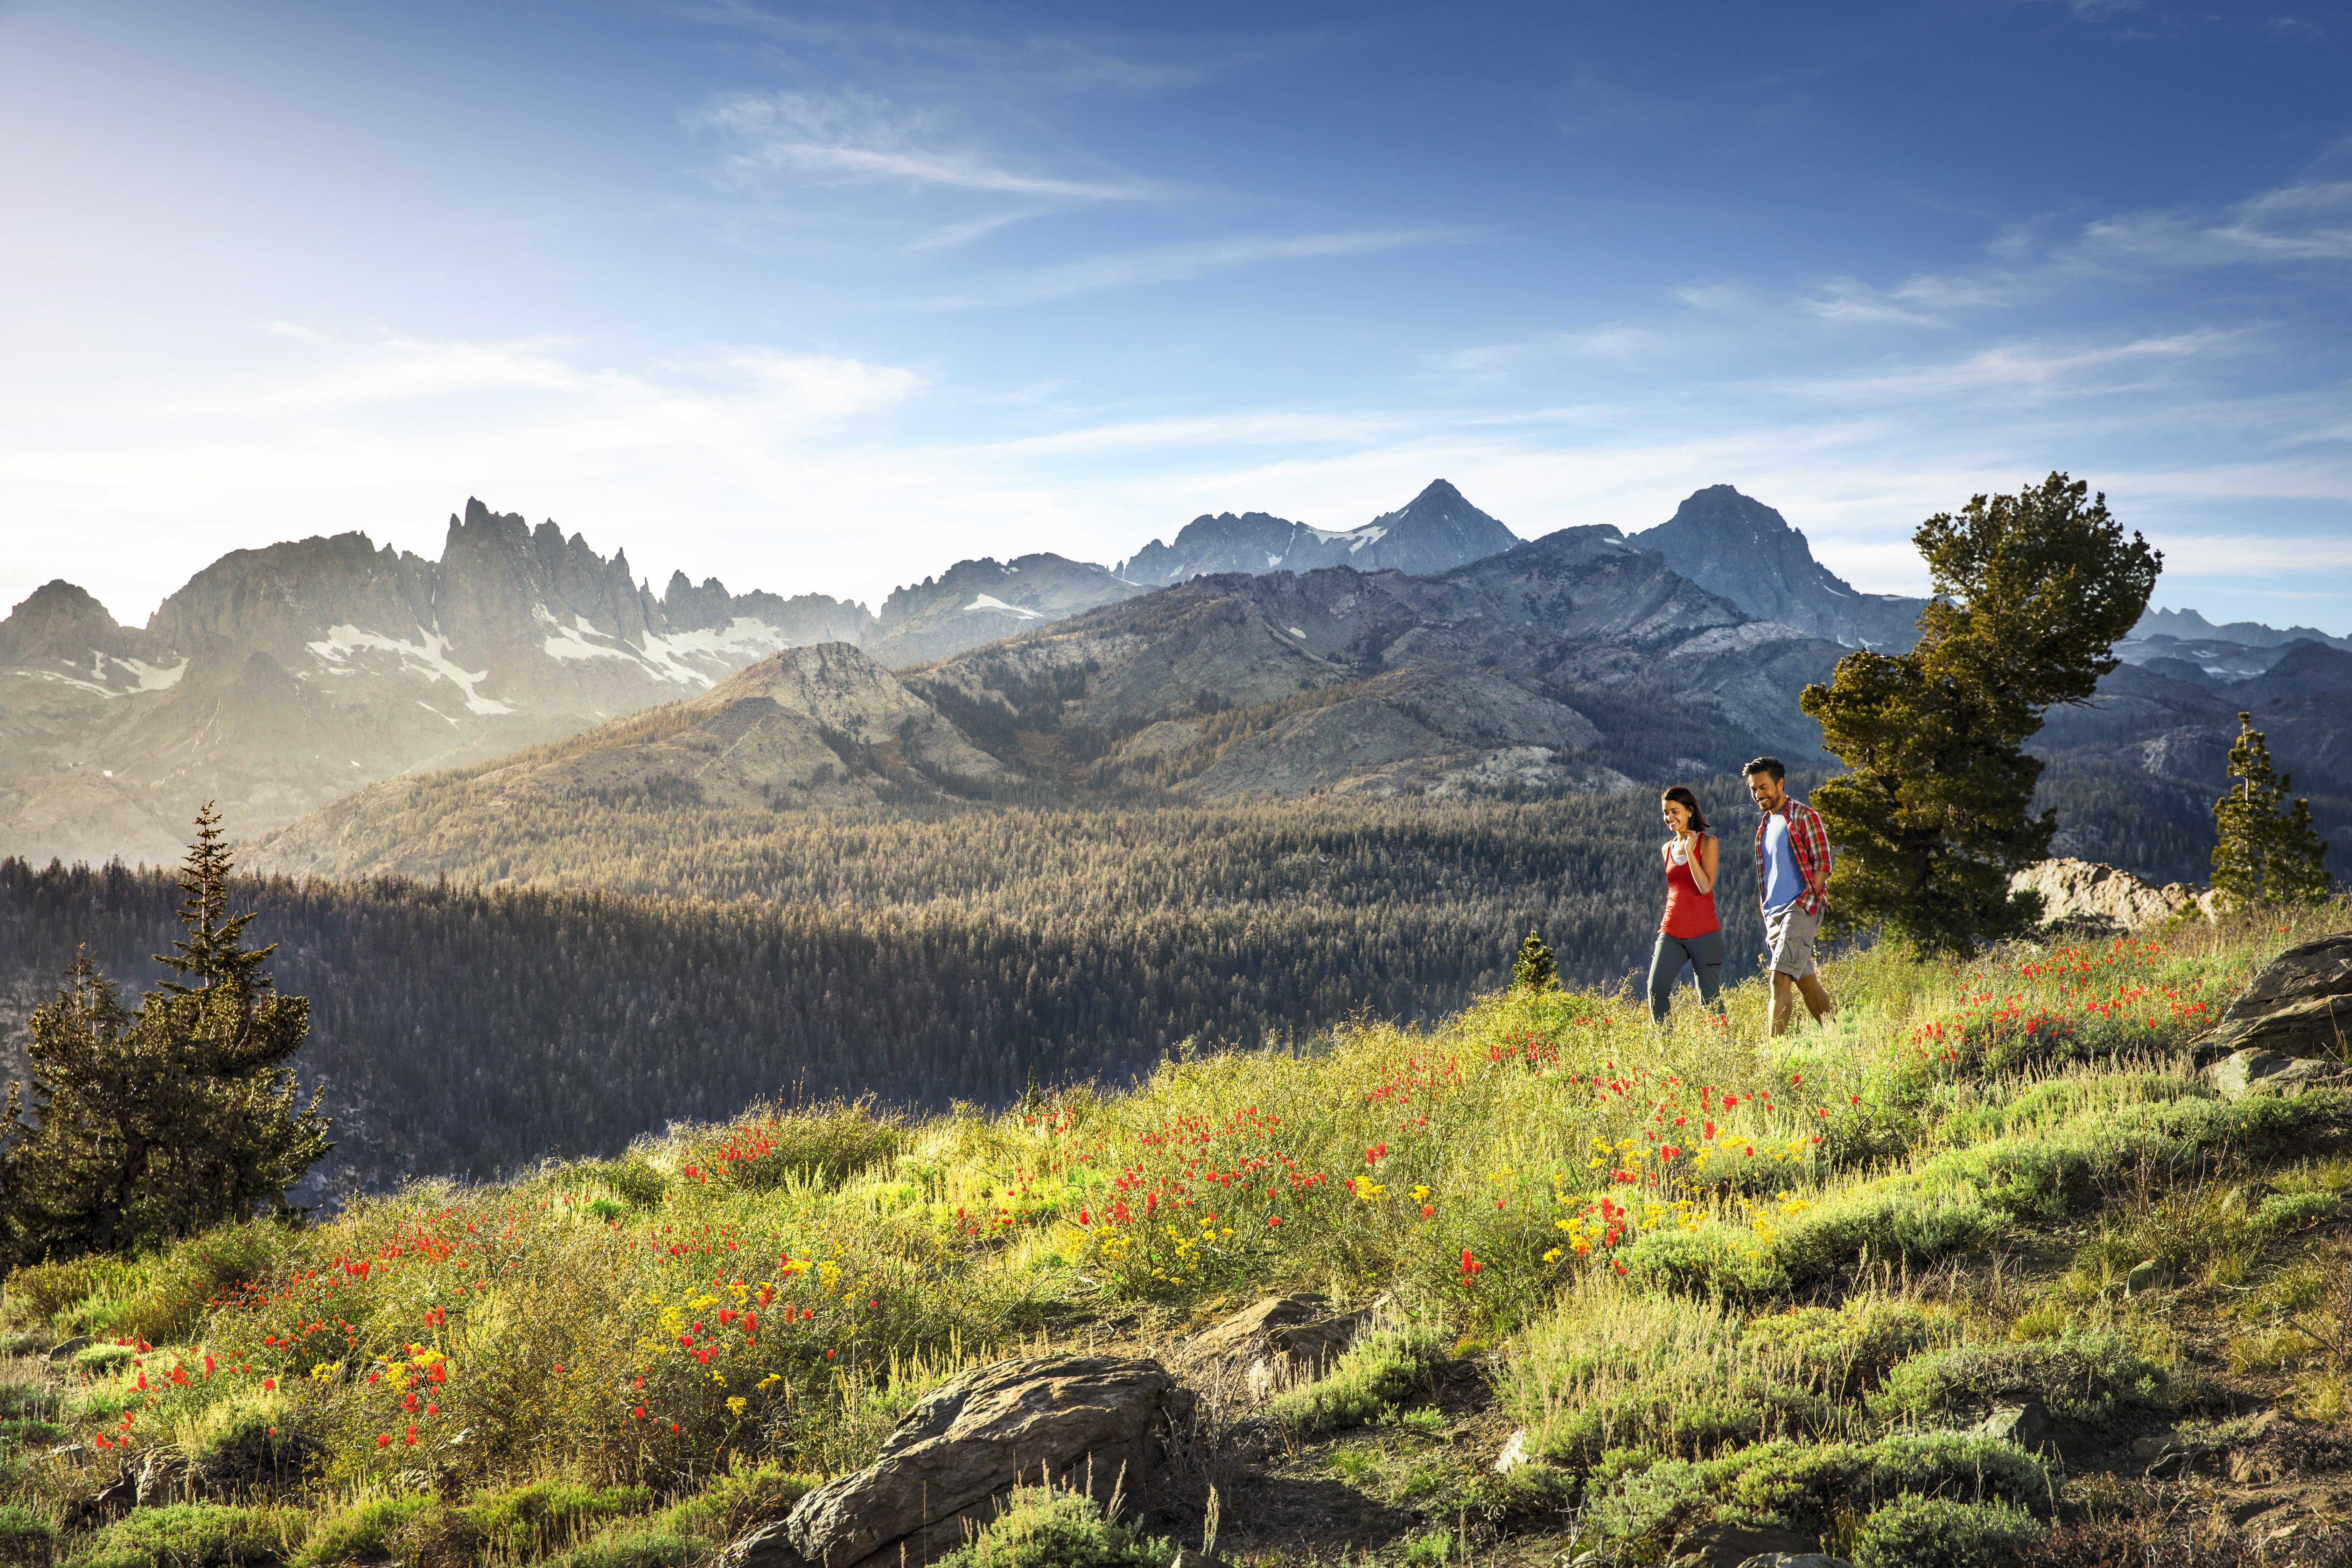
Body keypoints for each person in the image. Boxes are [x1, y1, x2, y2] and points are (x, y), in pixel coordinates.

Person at [1744, 756, 1835, 1035]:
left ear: (1780, 784)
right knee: (1806, 981)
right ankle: (1836, 1037)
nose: (1759, 794)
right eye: (1753, 790)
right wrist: (1768, 910)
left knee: (1779, 977)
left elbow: (1823, 864)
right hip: (1774, 914)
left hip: (1800, 908)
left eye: (1764, 787)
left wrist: (1804, 901)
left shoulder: (1803, 815)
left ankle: (1775, 1058)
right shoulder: (1764, 827)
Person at [1647, 786, 1725, 1024]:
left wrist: (1691, 853)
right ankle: (1666, 1050)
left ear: (1689, 811)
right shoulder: (1667, 849)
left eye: (1675, 811)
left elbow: (1705, 887)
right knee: (1656, 990)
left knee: (1709, 1000)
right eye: (1665, 813)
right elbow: (1676, 889)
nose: (1669, 818)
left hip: (1705, 934)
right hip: (1671, 933)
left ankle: (1724, 1050)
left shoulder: (1707, 843)